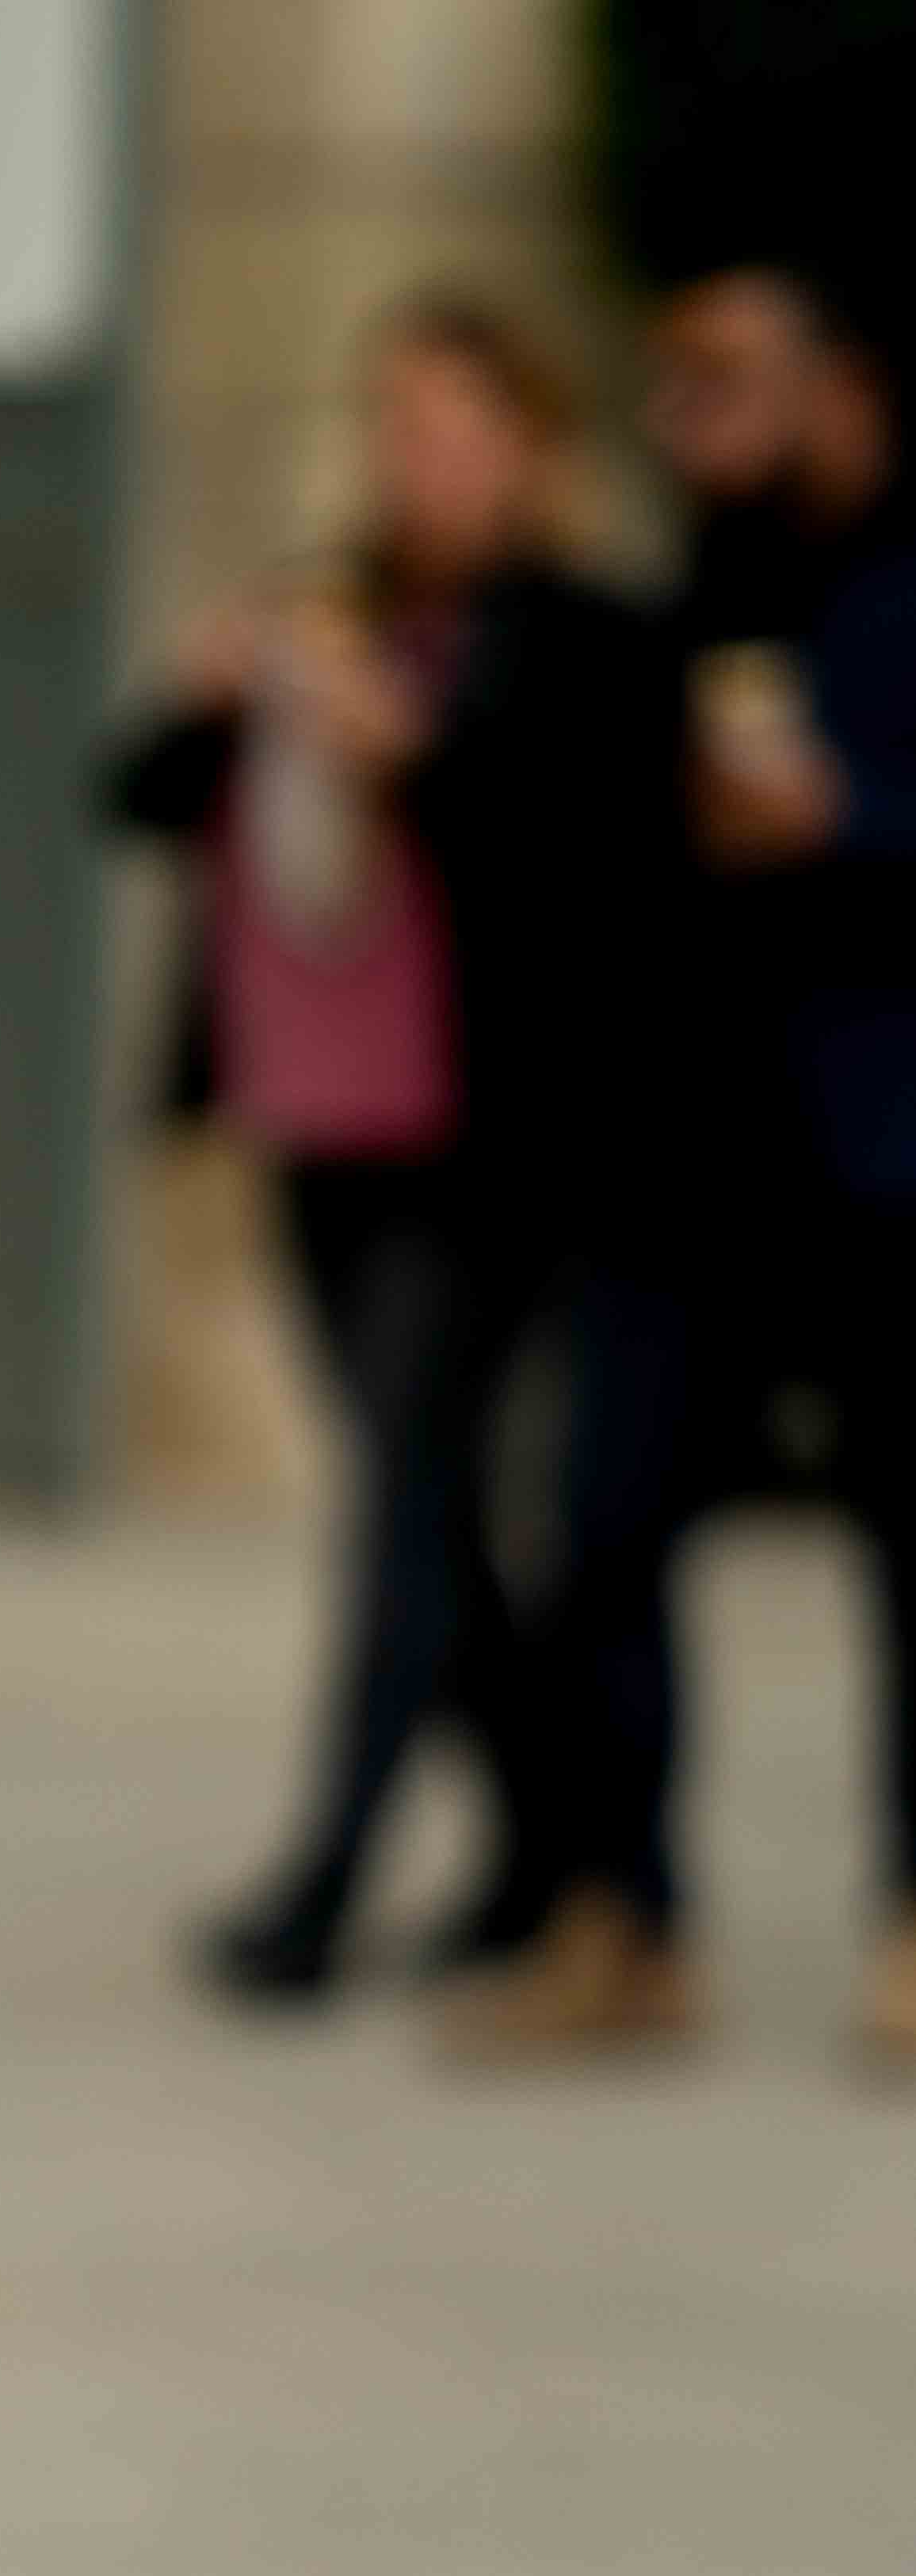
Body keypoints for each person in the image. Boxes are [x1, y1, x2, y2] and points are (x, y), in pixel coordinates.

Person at [105, 297, 662, 2004]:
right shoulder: (319, 602)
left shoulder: (579, 633)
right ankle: (540, 1854)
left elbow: (591, 853)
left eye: (449, 424)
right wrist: (206, 697)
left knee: (406, 1508)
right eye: (393, 421)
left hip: (478, 1142)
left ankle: (329, 1881)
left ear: (526, 447)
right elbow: (128, 796)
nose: (413, 457)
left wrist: (416, 754)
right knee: (430, 1512)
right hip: (314, 1118)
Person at [471, 257, 916, 2067]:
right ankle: (624, 1919)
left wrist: (850, 822)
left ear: (840, 379)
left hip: (883, 1150)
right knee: (597, 1525)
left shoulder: (902, 582)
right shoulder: (684, 590)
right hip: (679, 1155)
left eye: (726, 379)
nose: (689, 420)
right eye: (669, 386)